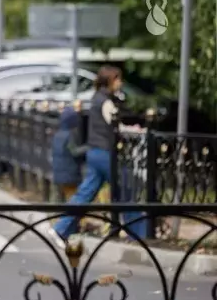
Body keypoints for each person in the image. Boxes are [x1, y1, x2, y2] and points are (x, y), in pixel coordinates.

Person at [48, 65, 147, 247]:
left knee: (85, 193)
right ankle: (139, 235)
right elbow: (114, 126)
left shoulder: (96, 98)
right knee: (127, 189)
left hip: (94, 152)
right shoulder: (106, 102)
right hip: (105, 153)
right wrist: (134, 130)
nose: (120, 83)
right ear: (110, 81)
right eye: (118, 79)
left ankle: (60, 229)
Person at [51, 105, 88, 201]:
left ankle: (56, 215)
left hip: (58, 173)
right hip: (69, 175)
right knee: (72, 200)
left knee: (59, 200)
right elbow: (74, 151)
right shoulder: (69, 135)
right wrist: (88, 147)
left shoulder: (57, 134)